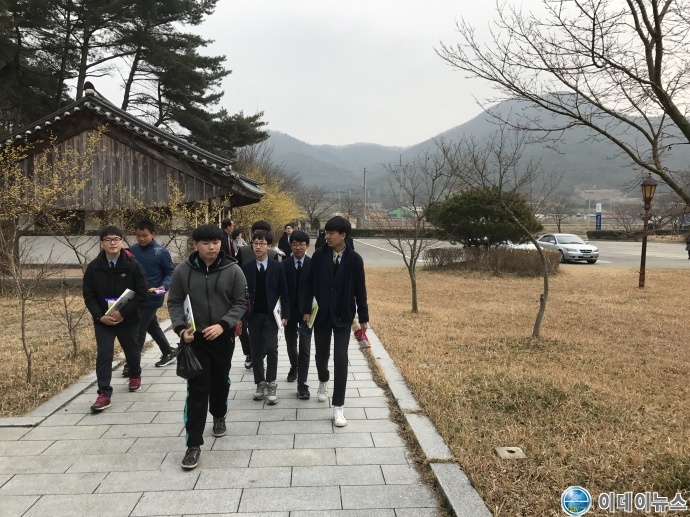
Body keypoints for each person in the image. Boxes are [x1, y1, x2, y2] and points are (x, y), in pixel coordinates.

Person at [167, 223, 247, 470]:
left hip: (223, 337)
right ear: (195, 245)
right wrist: (181, 329)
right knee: (197, 390)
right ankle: (193, 444)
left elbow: (240, 302)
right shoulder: (183, 271)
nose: (212, 247)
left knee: (220, 382)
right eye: (206, 243)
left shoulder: (233, 270)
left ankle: (219, 414)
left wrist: (223, 325)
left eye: (215, 242)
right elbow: (175, 302)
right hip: (196, 340)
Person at [301, 216, 369, 427]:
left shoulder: (355, 260)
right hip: (321, 316)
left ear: (343, 235)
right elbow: (307, 284)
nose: (327, 236)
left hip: (343, 316)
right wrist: (305, 310)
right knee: (321, 355)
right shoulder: (319, 256)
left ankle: (338, 406)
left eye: (331, 233)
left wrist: (363, 317)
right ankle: (323, 379)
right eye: (326, 233)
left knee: (341, 358)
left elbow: (360, 290)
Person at [83, 226, 148, 412]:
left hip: (127, 319)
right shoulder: (94, 268)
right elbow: (89, 296)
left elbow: (142, 293)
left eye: (116, 239)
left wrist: (123, 312)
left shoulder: (133, 265)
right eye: (108, 240)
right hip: (103, 321)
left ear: (122, 241)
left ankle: (135, 374)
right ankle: (104, 393)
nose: (112, 243)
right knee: (104, 354)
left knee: (132, 350)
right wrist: (100, 316)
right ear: (101, 243)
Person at [241, 229, 289, 405]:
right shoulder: (246, 268)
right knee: (256, 350)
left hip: (271, 315)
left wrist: (286, 314)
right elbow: (242, 294)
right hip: (253, 315)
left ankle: (271, 382)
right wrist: (242, 316)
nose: (258, 247)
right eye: (255, 243)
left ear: (269, 246)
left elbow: (284, 291)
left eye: (262, 244)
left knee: (271, 348)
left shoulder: (277, 266)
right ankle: (260, 382)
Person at [128, 220, 176, 371]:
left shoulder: (161, 252)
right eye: (138, 235)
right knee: (152, 326)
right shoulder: (132, 250)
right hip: (135, 295)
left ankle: (132, 363)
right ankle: (168, 352)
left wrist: (165, 285)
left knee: (139, 328)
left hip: (153, 296)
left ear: (153, 234)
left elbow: (170, 272)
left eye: (145, 235)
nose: (141, 239)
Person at [235, 220, 280, 370]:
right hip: (246, 299)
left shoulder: (273, 254)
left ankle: (259, 354)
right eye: (256, 235)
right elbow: (236, 271)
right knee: (243, 329)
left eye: (263, 235)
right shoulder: (243, 251)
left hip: (264, 302)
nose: (259, 245)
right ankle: (250, 354)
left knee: (266, 337)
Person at [281, 230, 313, 398]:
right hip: (289, 312)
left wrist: (308, 311)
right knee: (291, 344)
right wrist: (284, 314)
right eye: (294, 244)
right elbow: (282, 291)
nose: (298, 247)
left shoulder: (312, 264)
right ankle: (294, 366)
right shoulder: (284, 264)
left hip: (307, 313)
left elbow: (315, 290)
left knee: (305, 348)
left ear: (307, 245)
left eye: (301, 244)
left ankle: (302, 384)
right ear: (290, 246)